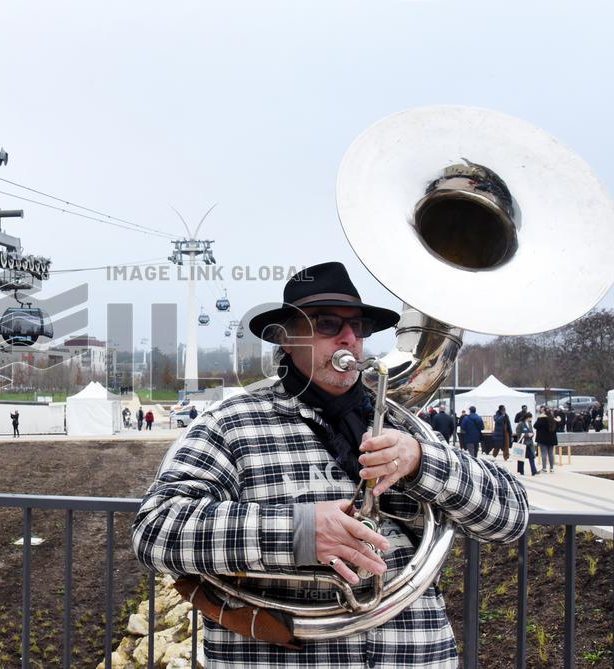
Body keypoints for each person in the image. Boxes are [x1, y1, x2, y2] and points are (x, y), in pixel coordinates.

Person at [132, 262, 528, 667]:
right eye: (327, 325)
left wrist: (422, 461)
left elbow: (511, 518)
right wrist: (301, 531)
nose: (349, 339)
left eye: (358, 327)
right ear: (285, 338)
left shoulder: (403, 429)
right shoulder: (230, 423)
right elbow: (155, 529)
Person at [534, 408, 557, 473]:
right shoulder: (553, 419)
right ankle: (552, 468)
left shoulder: (541, 419)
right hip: (552, 438)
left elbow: (535, 426)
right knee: (551, 453)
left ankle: (544, 468)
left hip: (542, 438)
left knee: (544, 453)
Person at [515, 412, 537, 476]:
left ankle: (534, 471)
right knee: (521, 458)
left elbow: (532, 431)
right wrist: (527, 435)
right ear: (527, 418)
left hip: (529, 443)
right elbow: (518, 433)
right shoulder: (520, 424)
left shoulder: (530, 424)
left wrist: (532, 434)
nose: (531, 419)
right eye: (530, 417)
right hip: (523, 443)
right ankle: (521, 471)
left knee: (531, 457)